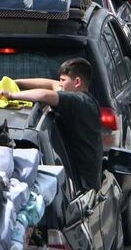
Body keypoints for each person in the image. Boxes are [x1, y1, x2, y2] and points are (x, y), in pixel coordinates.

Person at [11, 58, 104, 191]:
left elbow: (45, 95)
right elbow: (49, 84)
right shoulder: (86, 99)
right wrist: (15, 82)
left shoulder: (77, 101)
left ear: (77, 82)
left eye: (63, 80)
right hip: (80, 179)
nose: (60, 85)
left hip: (82, 184)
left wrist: (11, 95)